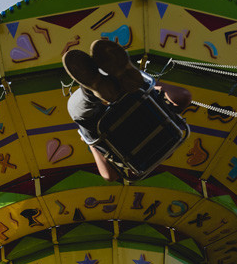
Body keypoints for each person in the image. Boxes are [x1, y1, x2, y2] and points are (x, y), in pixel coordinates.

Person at [64, 39, 193, 182]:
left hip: (132, 109)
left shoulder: (167, 133)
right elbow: (109, 176)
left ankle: (102, 86)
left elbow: (183, 96)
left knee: (84, 116)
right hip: (128, 115)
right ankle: (96, 89)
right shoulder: (133, 160)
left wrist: (151, 85)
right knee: (81, 114)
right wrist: (90, 141)